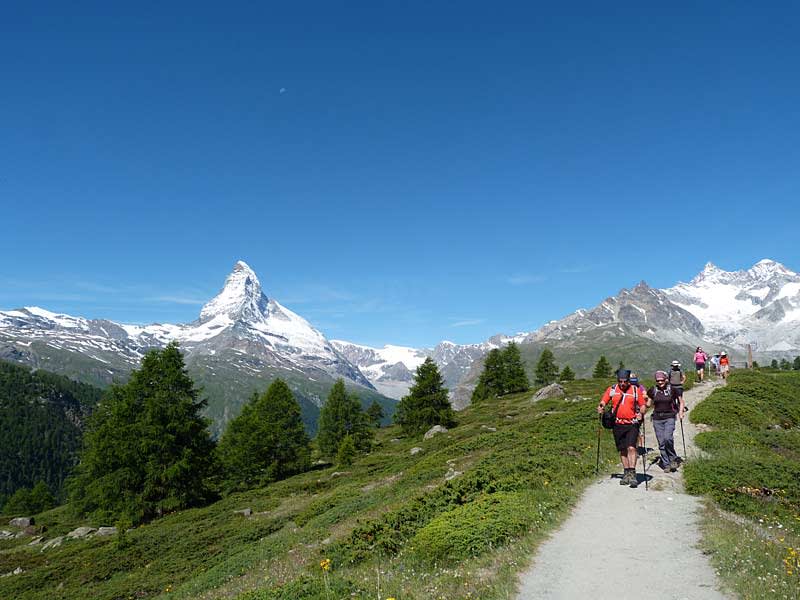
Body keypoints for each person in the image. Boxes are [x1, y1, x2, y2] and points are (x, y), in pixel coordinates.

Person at [597, 369, 647, 487]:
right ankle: (626, 473)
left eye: (625, 381)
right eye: (620, 381)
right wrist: (601, 407)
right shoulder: (612, 390)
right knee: (622, 449)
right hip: (617, 424)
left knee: (631, 447)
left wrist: (641, 413)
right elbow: (604, 401)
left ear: (628, 380)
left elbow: (643, 405)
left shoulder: (635, 390)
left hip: (632, 424)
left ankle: (632, 473)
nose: (622, 384)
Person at [646, 370, 685, 472]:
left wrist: (681, 412)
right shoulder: (653, 390)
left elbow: (681, 401)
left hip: (669, 417)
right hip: (657, 418)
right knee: (661, 442)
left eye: (662, 380)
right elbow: (648, 404)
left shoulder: (672, 389)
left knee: (668, 438)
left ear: (666, 379)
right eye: (658, 380)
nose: (660, 382)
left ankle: (673, 458)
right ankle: (666, 463)